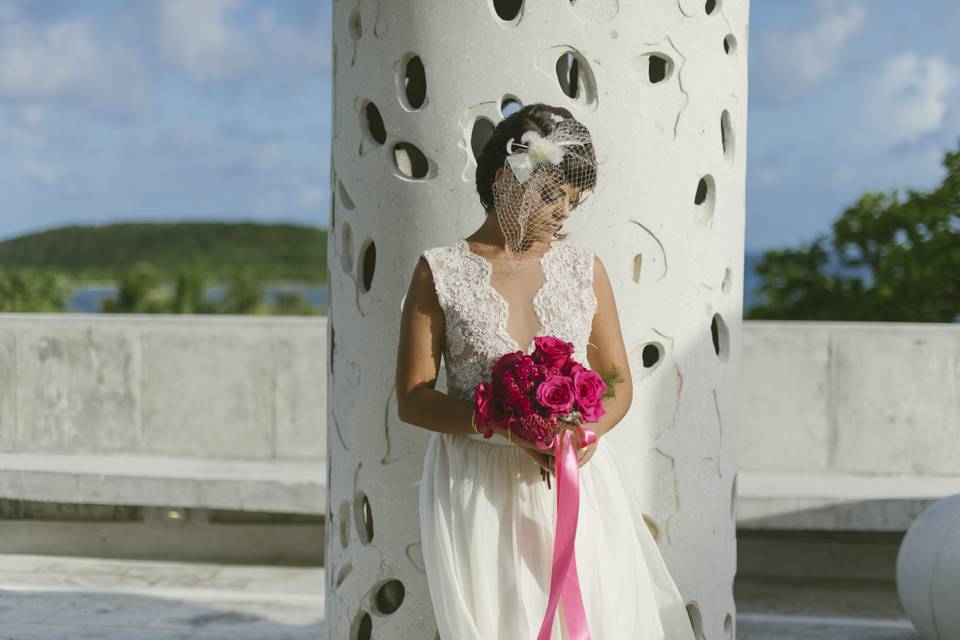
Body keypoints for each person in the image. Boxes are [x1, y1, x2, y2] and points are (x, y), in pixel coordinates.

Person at [395, 103, 696, 639]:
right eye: (552, 196)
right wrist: (506, 425)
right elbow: (414, 397)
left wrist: (585, 433)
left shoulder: (584, 268)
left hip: (574, 479)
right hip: (477, 485)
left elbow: (617, 380)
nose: (563, 213)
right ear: (505, 180)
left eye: (572, 201)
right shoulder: (439, 270)